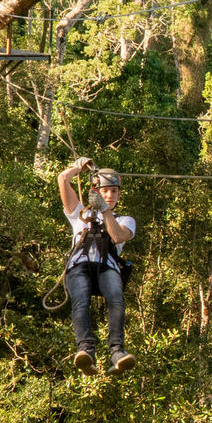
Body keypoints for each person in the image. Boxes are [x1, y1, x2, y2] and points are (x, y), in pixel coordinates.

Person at [57, 157, 136, 374]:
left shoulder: (125, 219)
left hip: (107, 267)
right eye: (105, 191)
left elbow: (118, 237)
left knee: (116, 299)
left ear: (119, 195)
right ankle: (86, 351)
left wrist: (104, 211)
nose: (110, 195)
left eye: (114, 192)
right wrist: (77, 167)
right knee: (80, 301)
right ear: (96, 191)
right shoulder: (80, 215)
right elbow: (63, 179)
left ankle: (117, 352)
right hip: (79, 266)